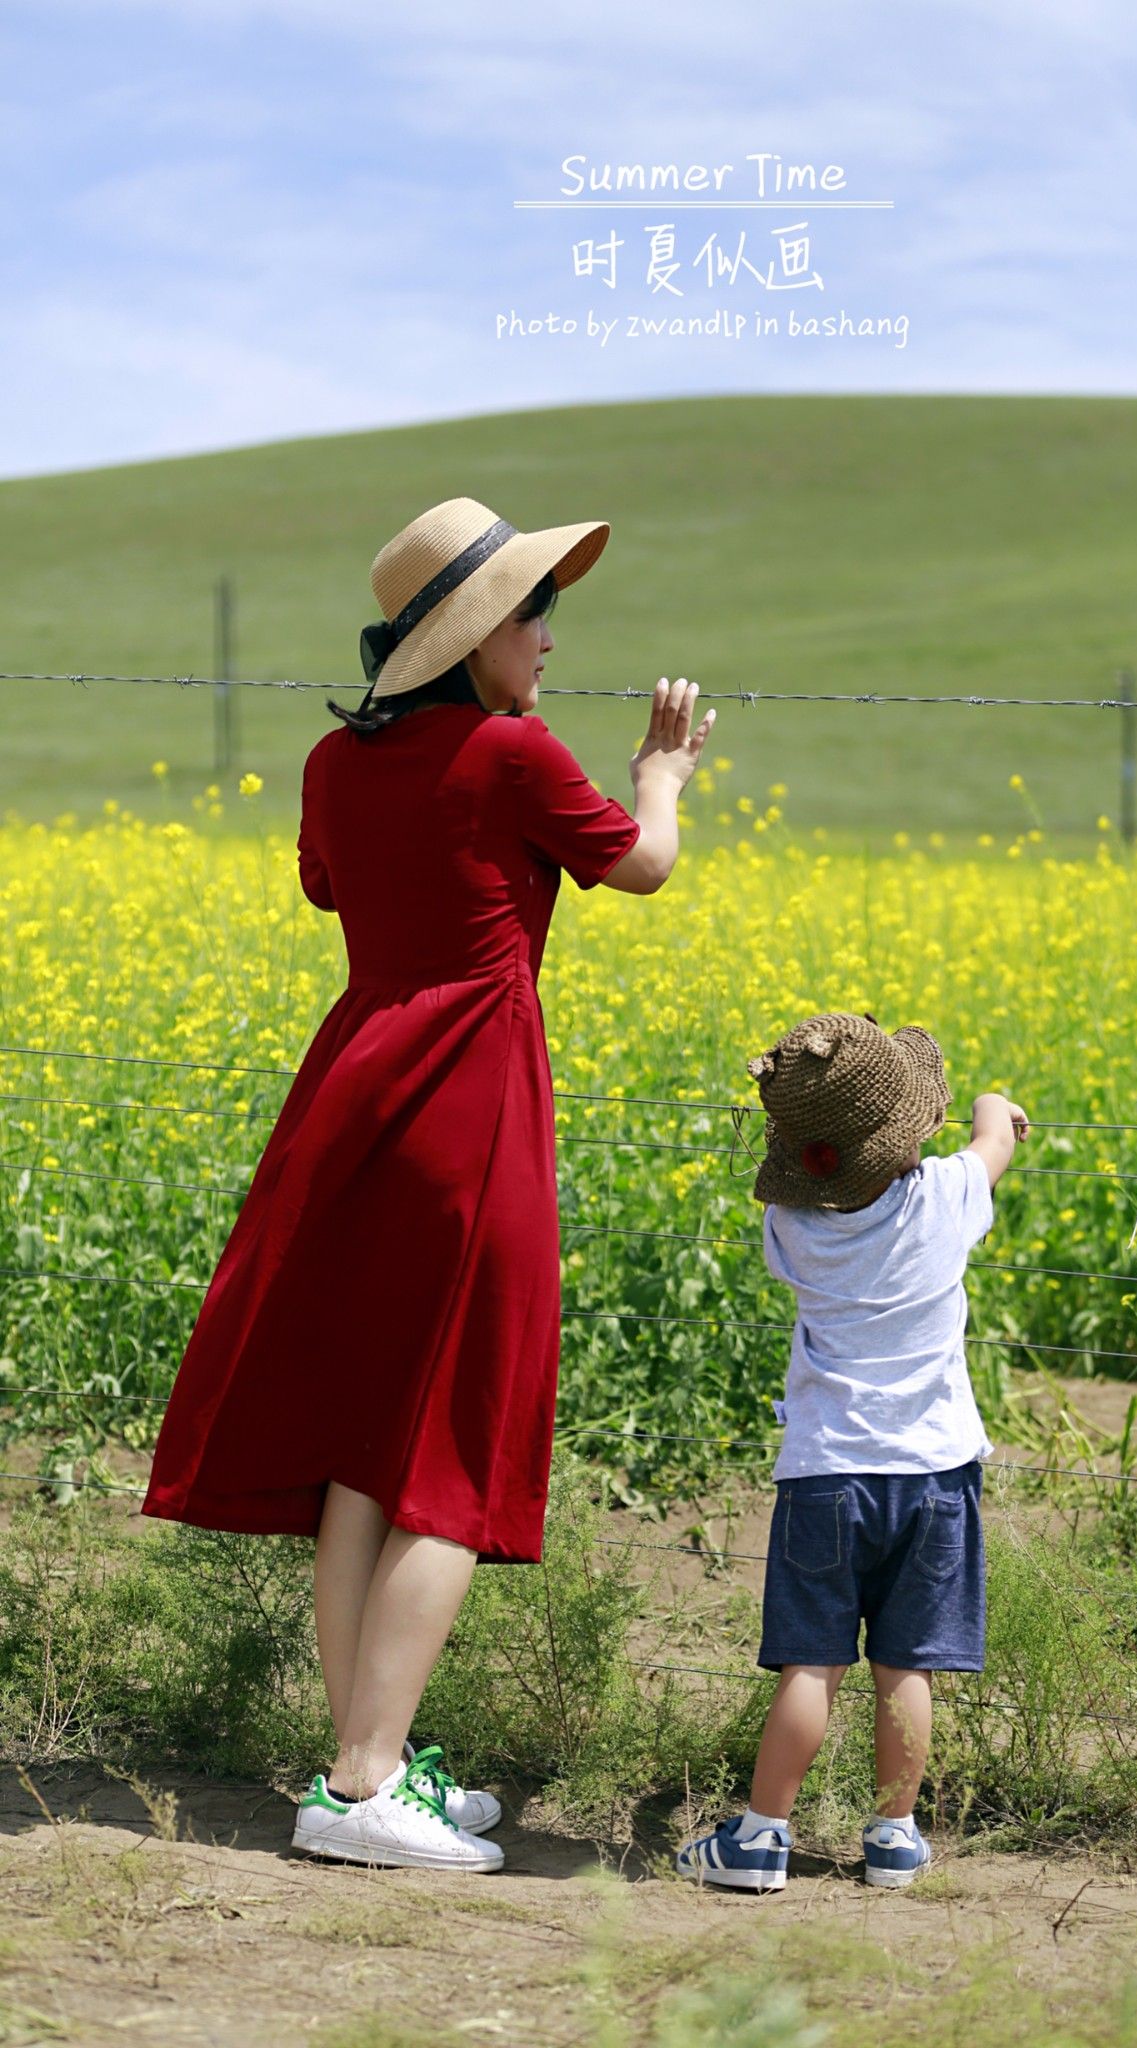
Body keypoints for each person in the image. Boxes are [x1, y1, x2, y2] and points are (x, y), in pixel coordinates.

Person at [140, 495, 715, 1871]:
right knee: (447, 1448)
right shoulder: (511, 750)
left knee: (367, 1448)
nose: (546, 638)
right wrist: (662, 774)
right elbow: (639, 869)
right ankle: (356, 1786)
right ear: (471, 636)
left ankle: (369, 1762)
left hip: (353, 1090)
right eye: (532, 613)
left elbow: (329, 888)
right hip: (469, 1096)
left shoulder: (333, 764)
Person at [676, 1012, 1027, 1892]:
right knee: (905, 1666)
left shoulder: (792, 1229)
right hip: (937, 1478)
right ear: (912, 1131)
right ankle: (895, 1835)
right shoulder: (949, 1198)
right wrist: (994, 1107)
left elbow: (834, 1180)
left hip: (826, 1474)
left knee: (812, 1663)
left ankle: (761, 1837)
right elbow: (991, 1138)